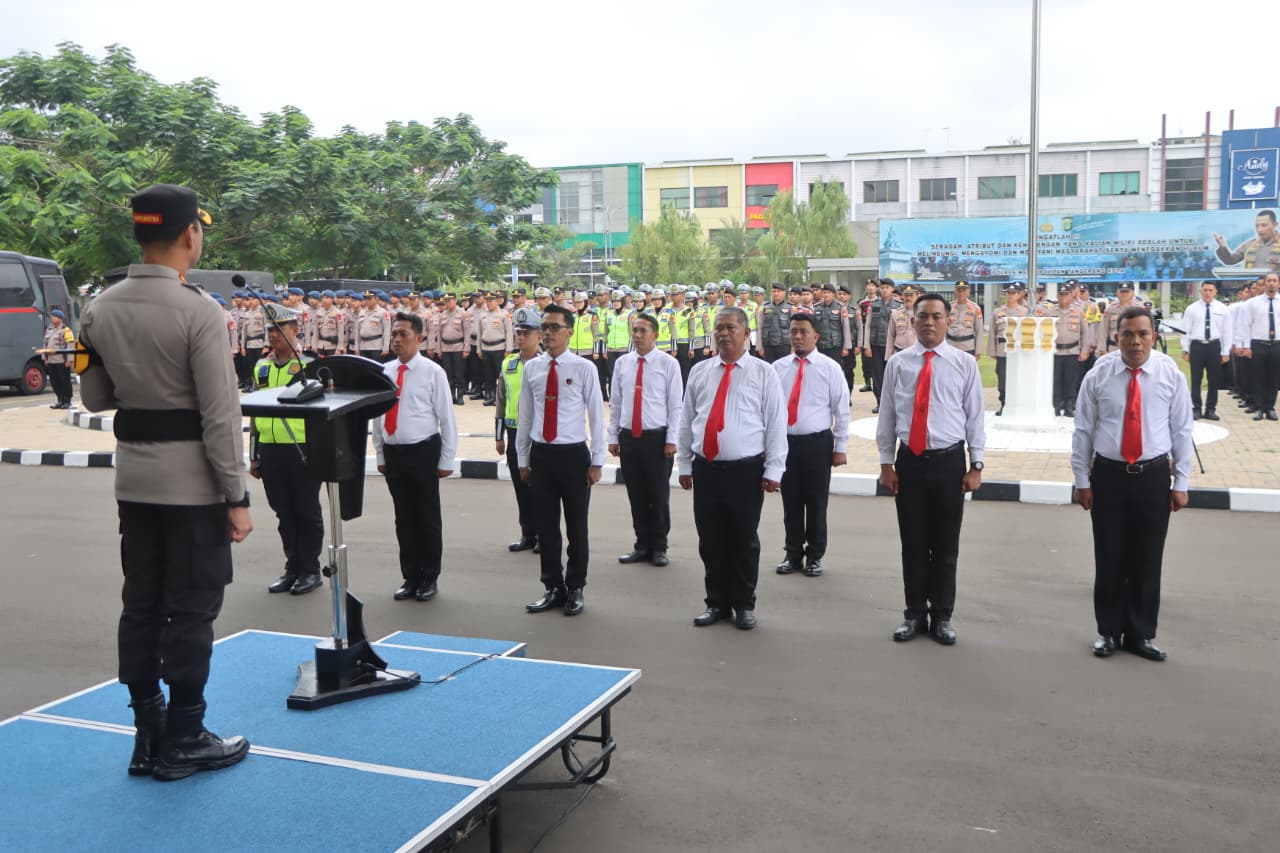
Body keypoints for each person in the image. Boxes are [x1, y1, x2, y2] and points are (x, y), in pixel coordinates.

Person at [77, 184, 251, 781]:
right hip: (193, 491)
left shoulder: (99, 308)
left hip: (135, 483)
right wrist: (237, 496)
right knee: (192, 610)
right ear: (189, 234)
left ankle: (146, 735)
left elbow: (95, 395)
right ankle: (184, 736)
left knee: (142, 606)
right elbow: (220, 416)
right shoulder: (200, 311)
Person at [1073, 306, 1194, 662]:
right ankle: (1108, 631)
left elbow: (1182, 430)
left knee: (1146, 557)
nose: (1135, 341)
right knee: (1109, 555)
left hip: (1153, 476)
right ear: (1117, 337)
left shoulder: (1170, 375)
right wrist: (1082, 479)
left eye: (1142, 334)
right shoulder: (1099, 374)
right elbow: (1083, 430)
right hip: (1108, 476)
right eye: (1127, 334)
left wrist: (1181, 481)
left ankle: (1141, 633)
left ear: (1153, 336)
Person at [877, 294, 985, 646]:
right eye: (922, 316)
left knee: (945, 546)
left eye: (936, 316)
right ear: (912, 319)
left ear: (948, 320)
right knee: (913, 544)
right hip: (909, 463)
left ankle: (941, 616)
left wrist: (976, 464)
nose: (928, 322)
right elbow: (888, 416)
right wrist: (886, 463)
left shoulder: (963, 364)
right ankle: (913, 614)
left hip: (949, 464)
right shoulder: (898, 364)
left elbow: (975, 417)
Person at [678, 307, 788, 631]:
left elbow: (776, 423)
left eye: (730, 328)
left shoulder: (763, 373)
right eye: (719, 328)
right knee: (710, 539)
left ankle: (743, 604)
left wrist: (774, 470)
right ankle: (716, 603)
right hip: (706, 469)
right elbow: (687, 421)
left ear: (746, 334)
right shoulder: (700, 371)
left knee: (742, 540)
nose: (724, 334)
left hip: (746, 470)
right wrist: (684, 463)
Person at [516, 304, 606, 617]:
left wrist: (597, 462)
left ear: (569, 331)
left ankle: (576, 587)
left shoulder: (584, 368)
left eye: (555, 327)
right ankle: (552, 586)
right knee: (547, 527)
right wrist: (523, 458)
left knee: (576, 526)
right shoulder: (533, 368)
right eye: (545, 327)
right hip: (542, 454)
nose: (548, 333)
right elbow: (525, 415)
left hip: (573, 456)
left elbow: (596, 415)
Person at [372, 313, 457, 602]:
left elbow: (447, 419)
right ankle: (410, 576)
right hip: (394, 453)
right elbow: (378, 416)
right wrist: (380, 452)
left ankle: (429, 577)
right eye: (394, 334)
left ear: (420, 338)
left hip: (423, 450)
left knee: (426, 517)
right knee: (403, 518)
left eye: (403, 335)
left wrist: (446, 460)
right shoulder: (384, 372)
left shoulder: (433, 372)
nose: (397, 340)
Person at [249, 305, 323, 597]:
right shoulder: (261, 366)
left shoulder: (309, 365)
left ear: (295, 330)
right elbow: (254, 415)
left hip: (302, 449)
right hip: (270, 449)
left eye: (280, 329)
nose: (274, 335)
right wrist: (254, 454)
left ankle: (310, 570)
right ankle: (292, 568)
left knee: (306, 511)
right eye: (270, 330)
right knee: (284, 513)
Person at [773, 314, 850, 578]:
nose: (797, 336)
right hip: (786, 444)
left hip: (817, 443)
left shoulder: (830, 368)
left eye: (803, 331)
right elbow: (770, 410)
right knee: (791, 502)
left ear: (816, 336)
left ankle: (815, 556)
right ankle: (792, 553)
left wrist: (841, 446)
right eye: (793, 331)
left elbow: (842, 411)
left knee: (816, 503)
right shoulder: (778, 368)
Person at [608, 313, 683, 568]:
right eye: (635, 330)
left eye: (643, 331)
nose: (637, 335)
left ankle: (659, 546)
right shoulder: (623, 363)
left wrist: (672, 439)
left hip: (657, 438)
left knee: (658, 495)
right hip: (629, 436)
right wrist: (613, 435)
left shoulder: (667, 364)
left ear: (656, 335)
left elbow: (675, 405)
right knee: (636, 494)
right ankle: (642, 544)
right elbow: (616, 402)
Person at [496, 307, 543, 554]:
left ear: (539, 335)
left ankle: (545, 535)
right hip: (514, 433)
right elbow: (501, 400)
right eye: (518, 332)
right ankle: (528, 534)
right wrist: (498, 435)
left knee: (541, 488)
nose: (521, 337)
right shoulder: (509, 363)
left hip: (539, 434)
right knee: (520, 486)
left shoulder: (547, 364)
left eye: (526, 333)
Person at [1179, 281, 1232, 421]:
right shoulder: (1192, 309)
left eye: (1210, 290)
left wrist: (1226, 351)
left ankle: (1210, 409)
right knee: (1196, 379)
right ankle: (1196, 408)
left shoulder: (1223, 309)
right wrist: (1185, 349)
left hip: (1214, 346)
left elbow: (1227, 331)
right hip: (1197, 346)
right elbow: (1185, 330)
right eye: (1205, 290)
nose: (1207, 292)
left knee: (1213, 380)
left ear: (1215, 292)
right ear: (1200, 291)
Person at [988, 282, 1028, 415]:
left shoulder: (1024, 312)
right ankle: (1004, 404)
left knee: (1018, 378)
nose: (1010, 296)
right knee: (1003, 380)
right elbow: (992, 332)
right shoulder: (998, 312)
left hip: (1017, 350)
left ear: (1018, 295)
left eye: (1013, 293)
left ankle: (1018, 405)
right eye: (1008, 293)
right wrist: (992, 351)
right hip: (1002, 350)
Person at [861, 278, 899, 414]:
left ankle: (893, 404)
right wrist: (867, 346)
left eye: (887, 287)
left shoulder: (898, 305)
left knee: (893, 376)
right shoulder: (874, 305)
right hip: (876, 345)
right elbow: (868, 326)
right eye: (882, 287)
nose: (884, 290)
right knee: (877, 376)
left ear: (892, 289)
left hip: (892, 347)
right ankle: (880, 403)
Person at [1214, 209, 1280, 272]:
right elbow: (1230, 260)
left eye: (1264, 225)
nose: (1260, 229)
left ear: (1275, 225)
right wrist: (1223, 248)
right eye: (1257, 226)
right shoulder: (1250, 244)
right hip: (1251, 283)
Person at [42, 308, 75, 408]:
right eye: (52, 317)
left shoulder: (66, 330)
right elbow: (45, 344)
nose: (52, 319)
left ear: (60, 318)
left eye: (55, 317)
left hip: (62, 360)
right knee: (54, 382)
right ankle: (60, 400)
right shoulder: (49, 330)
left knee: (64, 381)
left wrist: (69, 360)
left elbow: (70, 345)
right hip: (51, 361)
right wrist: (45, 358)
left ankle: (67, 401)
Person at [756, 282, 794, 362]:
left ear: (784, 293)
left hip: (784, 346)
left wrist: (793, 349)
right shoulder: (764, 308)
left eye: (778, 291)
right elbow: (759, 328)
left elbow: (793, 329)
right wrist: (759, 347)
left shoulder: (791, 308)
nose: (776, 293)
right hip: (768, 345)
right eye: (774, 291)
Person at [945, 281, 983, 360]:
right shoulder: (948, 307)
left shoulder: (975, 308)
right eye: (959, 290)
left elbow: (979, 330)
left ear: (969, 291)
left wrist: (978, 351)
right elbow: (944, 329)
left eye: (964, 290)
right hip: (951, 346)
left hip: (968, 347)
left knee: (967, 371)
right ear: (955, 291)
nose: (961, 293)